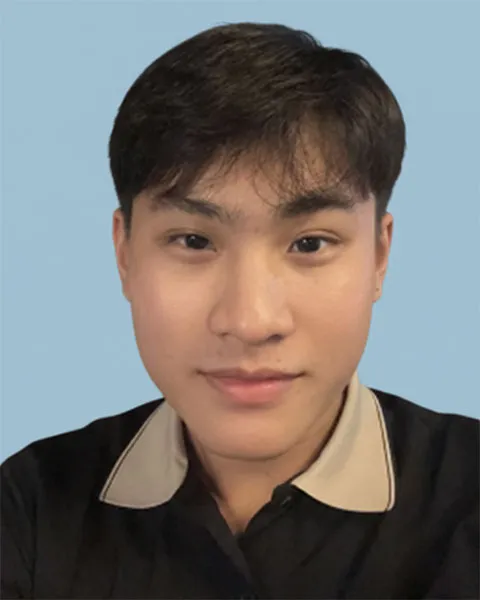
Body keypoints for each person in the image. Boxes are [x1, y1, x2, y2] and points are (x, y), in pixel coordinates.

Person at [1, 21, 478, 600]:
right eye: (194, 241)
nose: (251, 322)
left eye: (309, 244)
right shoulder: (29, 507)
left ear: (379, 256)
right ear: (124, 254)